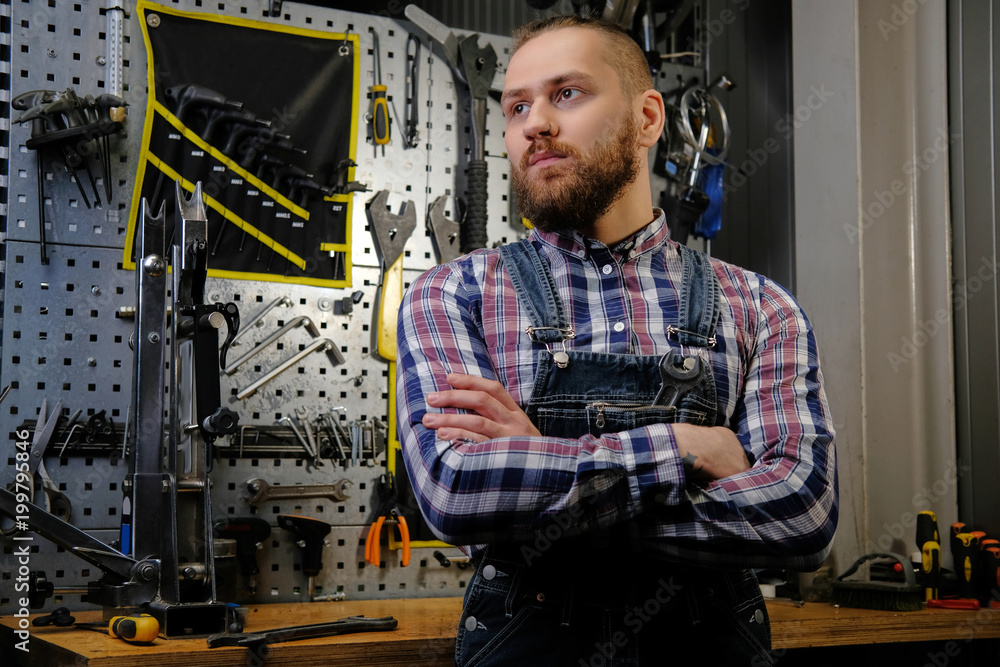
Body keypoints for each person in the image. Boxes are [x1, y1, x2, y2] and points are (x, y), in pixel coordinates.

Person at [396, 14, 837, 667]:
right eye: (517, 105)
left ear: (649, 118)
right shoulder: (450, 295)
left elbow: (802, 514)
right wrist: (692, 447)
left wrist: (542, 469)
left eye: (566, 94)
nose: (534, 122)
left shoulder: (760, 307)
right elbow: (456, 490)